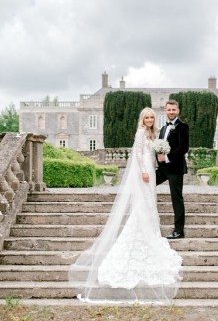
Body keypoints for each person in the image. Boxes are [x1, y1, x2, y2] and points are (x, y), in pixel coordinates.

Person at [68, 107, 182, 303]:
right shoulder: (140, 133)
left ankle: (151, 232)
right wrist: (144, 172)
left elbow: (154, 151)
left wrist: (161, 155)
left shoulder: (153, 133)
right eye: (146, 117)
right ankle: (141, 231)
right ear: (142, 119)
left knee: (150, 204)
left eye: (151, 117)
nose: (149, 119)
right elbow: (137, 154)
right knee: (143, 204)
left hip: (152, 170)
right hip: (144, 170)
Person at [156, 100, 189, 239]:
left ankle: (179, 231)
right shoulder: (163, 128)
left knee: (177, 199)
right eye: (169, 110)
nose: (171, 112)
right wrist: (157, 157)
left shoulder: (183, 127)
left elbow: (183, 148)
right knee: (146, 184)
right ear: (165, 110)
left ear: (178, 110)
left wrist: (167, 157)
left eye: (173, 110)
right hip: (163, 168)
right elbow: (159, 146)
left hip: (175, 169)